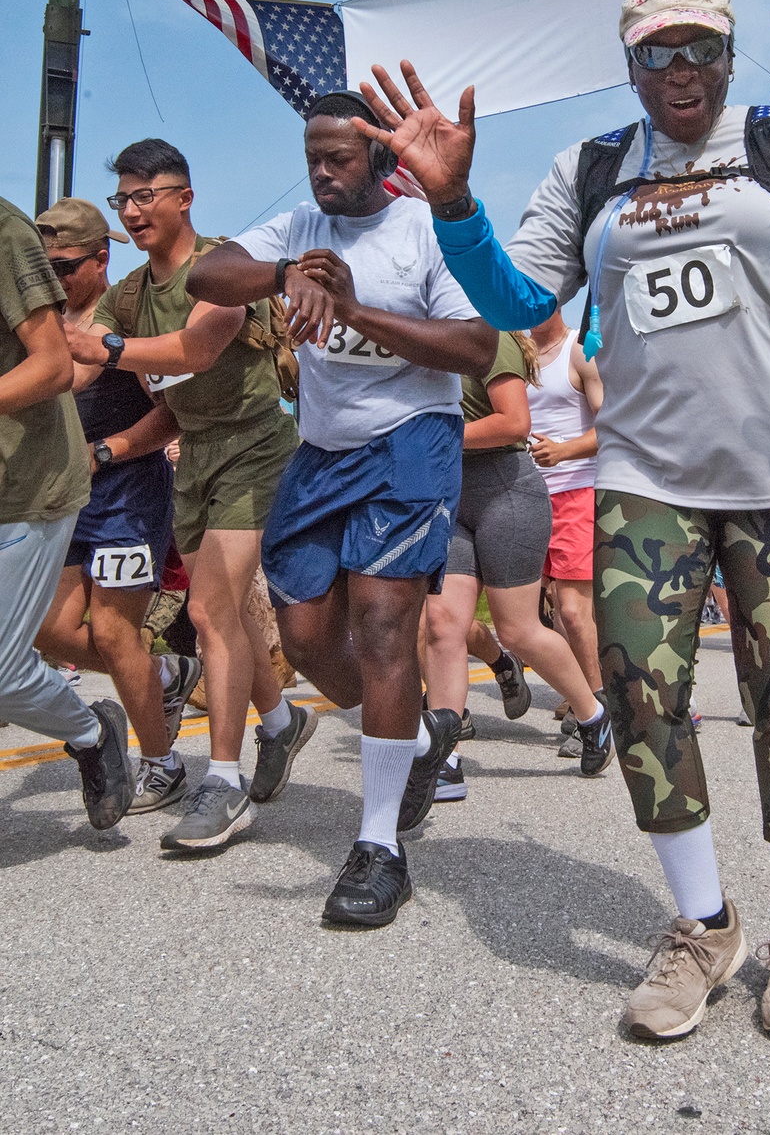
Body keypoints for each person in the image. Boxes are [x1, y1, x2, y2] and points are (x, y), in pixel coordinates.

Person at [350, 0, 770, 1042]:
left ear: (726, 51)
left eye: (700, 47)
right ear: (628, 63)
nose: (681, 70)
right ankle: (701, 924)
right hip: (645, 483)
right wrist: (451, 204)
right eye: (657, 51)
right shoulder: (591, 170)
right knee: (639, 692)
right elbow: (520, 303)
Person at [185, 91, 498, 928]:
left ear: (383, 162)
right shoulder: (297, 228)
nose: (322, 172)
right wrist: (289, 274)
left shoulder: (423, 231)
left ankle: (379, 845)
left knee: (386, 626)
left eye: (339, 159)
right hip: (322, 454)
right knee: (306, 634)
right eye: (313, 157)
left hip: (410, 443)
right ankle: (419, 742)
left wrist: (357, 309)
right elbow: (204, 275)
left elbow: (475, 349)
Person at [66, 140, 309, 851]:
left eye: (147, 195)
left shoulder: (222, 267)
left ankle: (224, 783)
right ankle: (285, 724)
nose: (134, 211)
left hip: (256, 446)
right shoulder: (132, 292)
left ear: (184, 198)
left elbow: (193, 352)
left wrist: (104, 350)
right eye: (124, 200)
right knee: (222, 614)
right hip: (196, 458)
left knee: (209, 609)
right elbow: (78, 360)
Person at [33, 198, 202, 811]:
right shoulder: (36, 320)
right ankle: (164, 676)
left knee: (112, 627)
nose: (53, 278)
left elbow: (174, 414)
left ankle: (163, 764)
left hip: (128, 491)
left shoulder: (128, 316)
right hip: (62, 497)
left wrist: (104, 452)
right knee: (49, 631)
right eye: (41, 266)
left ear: (101, 259)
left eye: (64, 266)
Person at [423, 329, 613, 804]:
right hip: (448, 493)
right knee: (442, 624)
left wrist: (428, 437)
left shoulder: (486, 332)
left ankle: (593, 714)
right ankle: (446, 758)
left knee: (519, 629)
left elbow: (514, 423)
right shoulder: (421, 334)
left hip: (506, 492)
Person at [0, 195, 132, 829]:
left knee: (9, 667)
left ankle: (92, 728)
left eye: (72, 263)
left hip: (36, 484)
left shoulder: (6, 231)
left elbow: (54, 366)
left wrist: (114, 449)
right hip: (57, 477)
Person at [527, 308, 604, 702]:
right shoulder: (516, 350)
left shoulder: (579, 348)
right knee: (550, 606)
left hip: (577, 489)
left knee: (574, 609)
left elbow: (612, 424)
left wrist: (564, 451)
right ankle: (581, 697)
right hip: (527, 496)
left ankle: (597, 701)